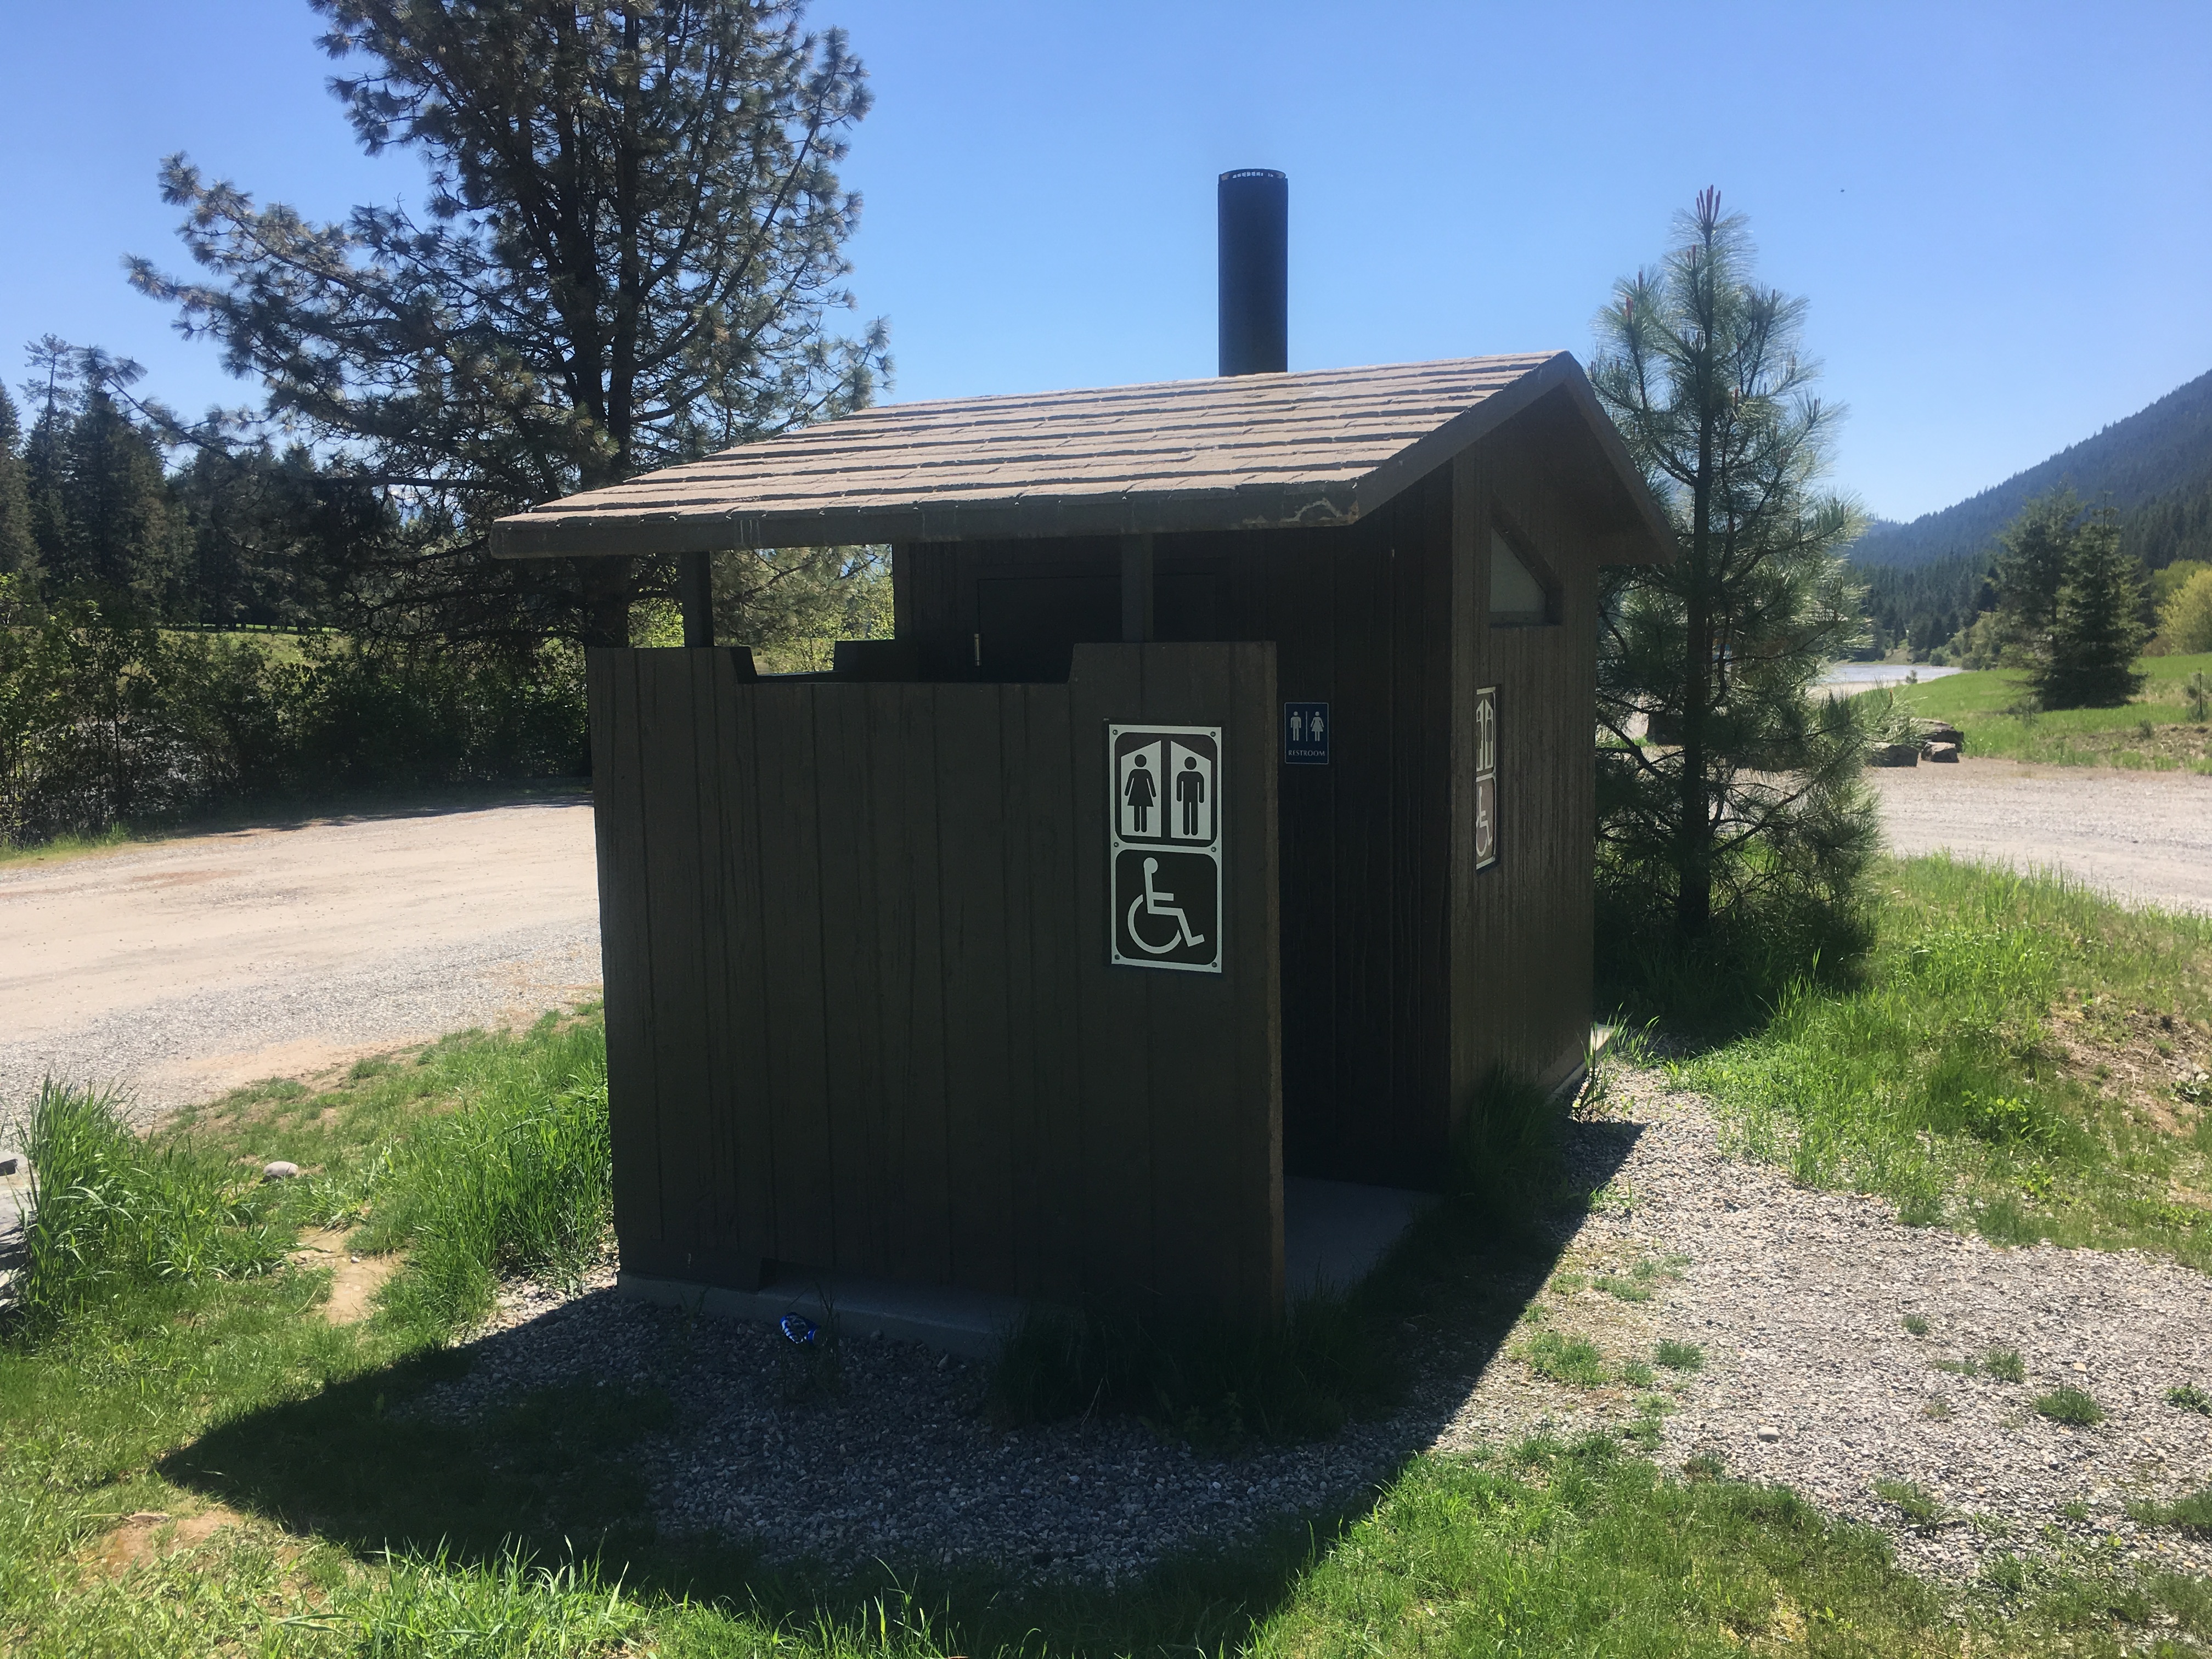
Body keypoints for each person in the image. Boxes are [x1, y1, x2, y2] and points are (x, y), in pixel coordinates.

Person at [1124, 752, 1156, 833]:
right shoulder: (1144, 773)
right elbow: (1130, 783)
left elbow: (1150, 783)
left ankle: (1140, 828)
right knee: (1140, 810)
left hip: (1138, 794)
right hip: (1142, 794)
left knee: (1139, 810)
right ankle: (1139, 828)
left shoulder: (1137, 772)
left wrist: (1127, 793)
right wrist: (1153, 794)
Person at [1176, 754, 1207, 837]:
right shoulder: (1184, 775)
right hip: (1190, 798)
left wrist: (1201, 798)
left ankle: (1193, 831)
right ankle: (1188, 831)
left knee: (1192, 812)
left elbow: (1201, 787)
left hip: (1192, 798)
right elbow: (1179, 786)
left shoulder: (1197, 775)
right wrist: (1178, 797)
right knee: (1189, 812)